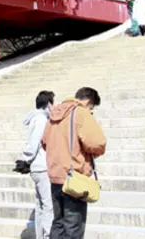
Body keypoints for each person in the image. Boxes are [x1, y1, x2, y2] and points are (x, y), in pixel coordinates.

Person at [42, 87, 106, 239]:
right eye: (92, 108)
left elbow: (44, 142)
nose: (91, 111)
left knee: (58, 223)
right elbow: (98, 142)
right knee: (73, 228)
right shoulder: (81, 113)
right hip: (74, 178)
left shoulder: (55, 113)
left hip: (55, 176)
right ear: (89, 101)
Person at [19, 91, 55, 239]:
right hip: (41, 166)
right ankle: (47, 235)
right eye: (52, 104)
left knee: (40, 205)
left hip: (36, 167)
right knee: (48, 206)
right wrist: (25, 158)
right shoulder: (41, 120)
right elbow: (34, 143)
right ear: (48, 104)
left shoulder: (34, 118)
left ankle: (41, 236)